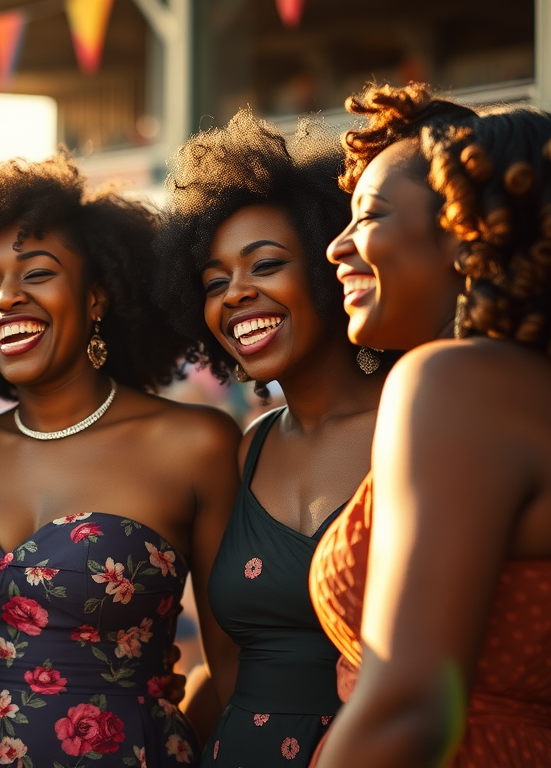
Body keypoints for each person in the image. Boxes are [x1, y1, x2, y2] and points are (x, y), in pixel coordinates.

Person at [0, 153, 241, 767]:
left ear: (96, 297)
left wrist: (163, 735)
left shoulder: (194, 444)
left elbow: (235, 663)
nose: (6, 298)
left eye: (37, 273)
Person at [310, 84, 551, 766]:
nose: (337, 248)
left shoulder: (454, 384)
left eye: (369, 216)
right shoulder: (536, 396)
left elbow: (408, 708)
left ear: (464, 232)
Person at [155, 110, 387, 767]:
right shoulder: (245, 449)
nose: (236, 294)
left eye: (265, 265)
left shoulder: (413, 424)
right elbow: (226, 669)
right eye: (214, 282)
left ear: (331, 265)